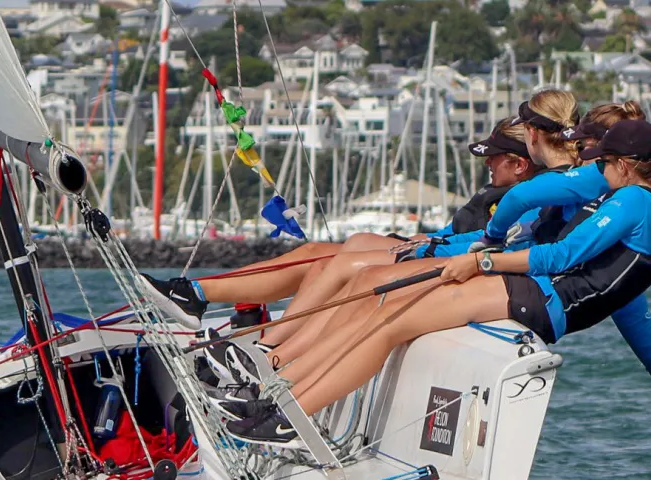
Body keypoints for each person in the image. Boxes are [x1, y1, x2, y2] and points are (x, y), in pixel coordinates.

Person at [224, 118, 651, 444]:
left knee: (392, 321)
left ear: (627, 165)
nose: (600, 169)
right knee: (388, 306)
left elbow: (562, 256)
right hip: (545, 295)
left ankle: (286, 417)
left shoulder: (634, 198)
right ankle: (280, 403)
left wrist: (484, 263)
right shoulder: (632, 198)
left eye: (606, 162)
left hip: (549, 300)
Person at [138, 118, 541, 331]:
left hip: (447, 263)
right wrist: (433, 239)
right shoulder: (506, 193)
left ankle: (273, 346)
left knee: (328, 262)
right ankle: (196, 293)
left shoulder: (523, 200)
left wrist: (431, 246)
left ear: (519, 164)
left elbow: (494, 246)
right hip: (435, 247)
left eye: (495, 157)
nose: (487, 163)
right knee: (317, 252)